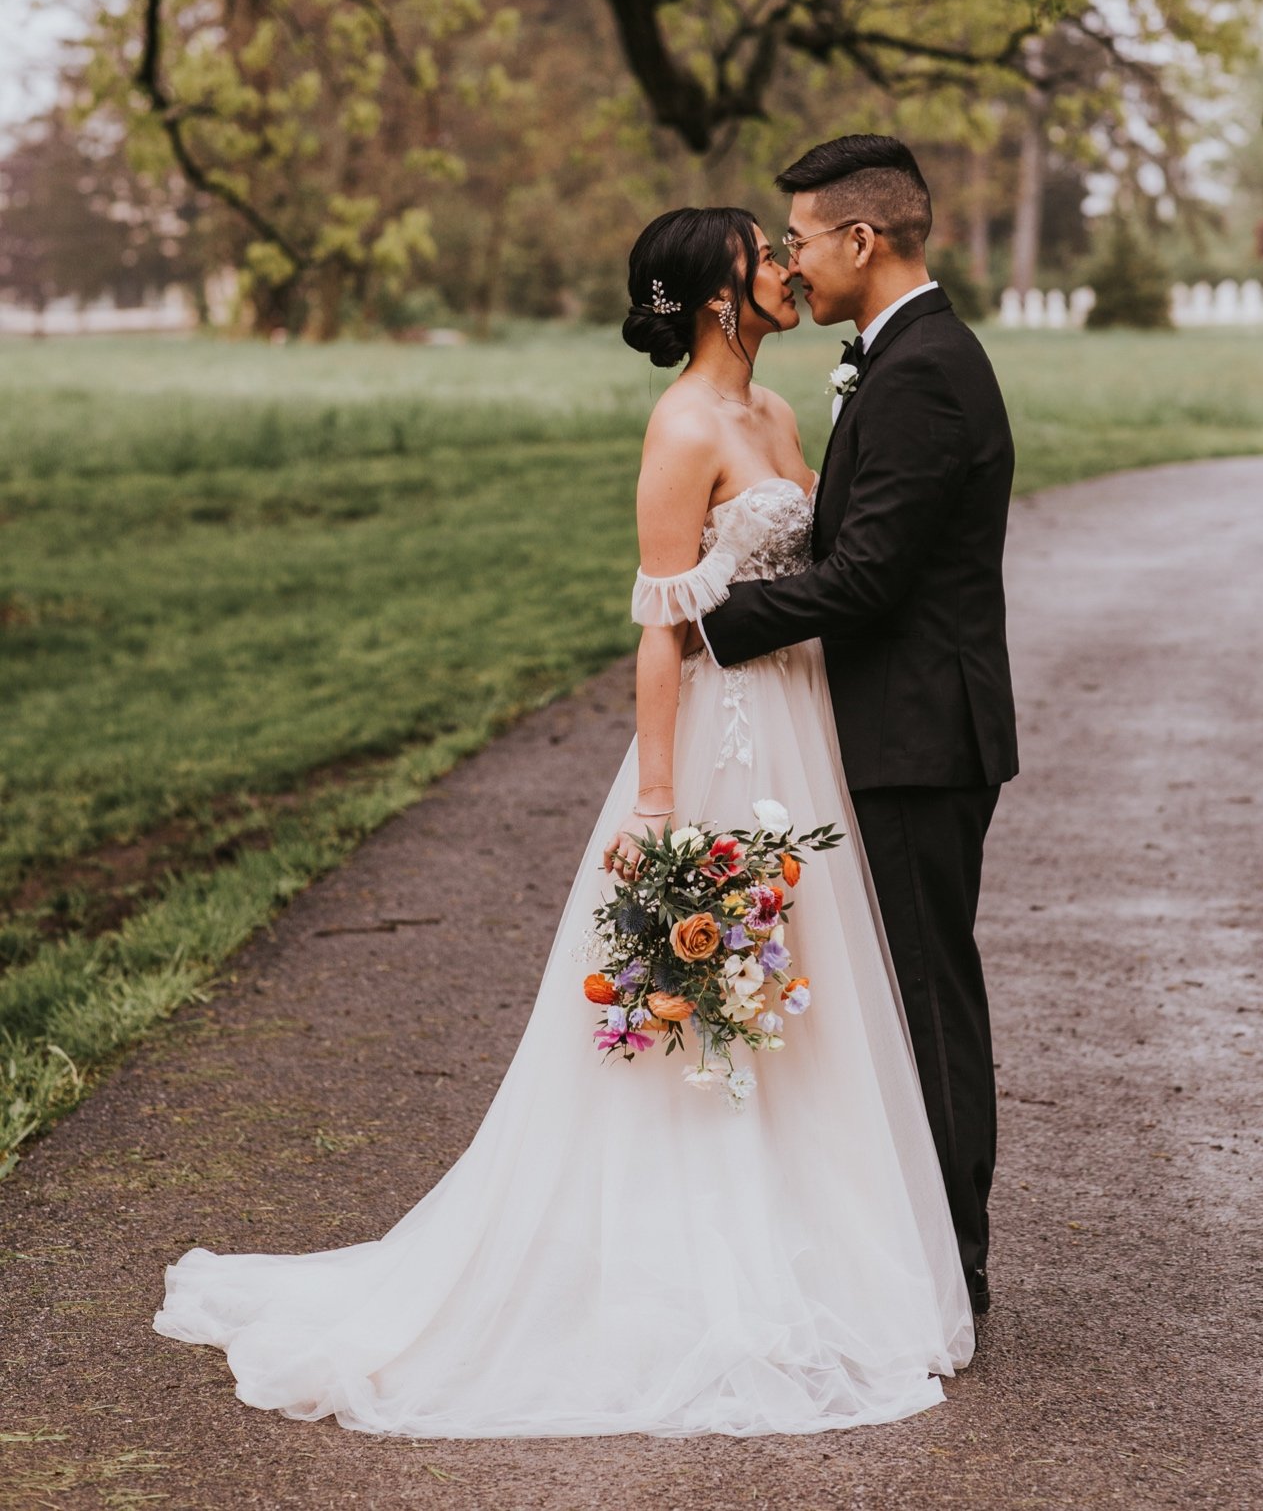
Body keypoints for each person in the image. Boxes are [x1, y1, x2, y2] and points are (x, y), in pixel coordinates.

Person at [154, 205, 972, 1437]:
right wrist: (654, 805)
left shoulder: (782, 416)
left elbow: (832, 564)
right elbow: (661, 626)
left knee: (804, 996)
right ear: (716, 298)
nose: (784, 270)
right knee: (711, 1008)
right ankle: (696, 1272)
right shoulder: (686, 423)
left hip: (801, 730)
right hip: (717, 739)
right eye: (765, 255)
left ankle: (824, 1254)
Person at [700, 136, 1017, 1315]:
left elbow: (871, 580)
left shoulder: (926, 369)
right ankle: (919, 1251)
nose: (792, 262)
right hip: (899, 727)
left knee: (927, 999)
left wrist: (713, 616)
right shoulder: (900, 358)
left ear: (860, 240)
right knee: (904, 993)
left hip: (922, 735)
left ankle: (953, 1274)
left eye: (798, 241)